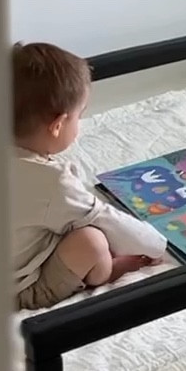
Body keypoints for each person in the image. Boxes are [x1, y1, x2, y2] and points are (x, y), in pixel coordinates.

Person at [11, 41, 166, 310]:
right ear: (57, 125)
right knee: (92, 241)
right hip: (18, 289)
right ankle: (107, 271)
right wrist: (157, 245)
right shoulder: (53, 184)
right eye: (79, 116)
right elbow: (105, 219)